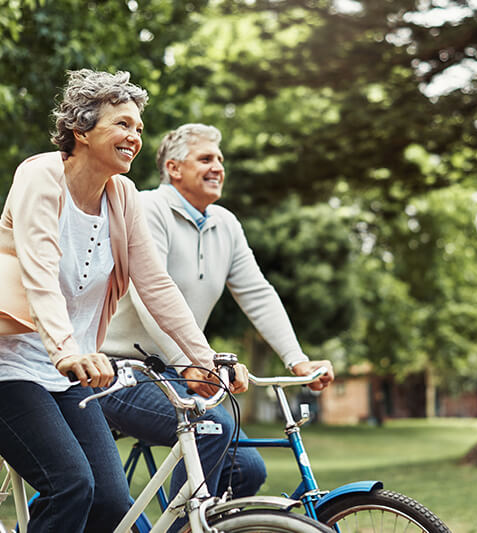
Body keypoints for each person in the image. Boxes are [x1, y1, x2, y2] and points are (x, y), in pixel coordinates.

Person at [0, 73, 247, 533]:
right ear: (81, 131)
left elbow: (155, 285)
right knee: (71, 484)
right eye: (123, 124)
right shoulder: (39, 176)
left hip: (69, 375)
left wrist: (206, 359)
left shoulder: (123, 197)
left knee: (111, 502)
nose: (134, 137)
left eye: (139, 129)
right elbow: (39, 269)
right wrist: (66, 350)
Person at [99, 123, 335, 522]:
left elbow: (258, 294)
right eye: (206, 159)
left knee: (248, 468)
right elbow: (147, 295)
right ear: (173, 168)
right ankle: (182, 527)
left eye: (220, 160)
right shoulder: (146, 209)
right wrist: (189, 362)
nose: (218, 167)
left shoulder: (225, 224)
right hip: (117, 369)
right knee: (211, 425)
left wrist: (297, 360)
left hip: (173, 371)